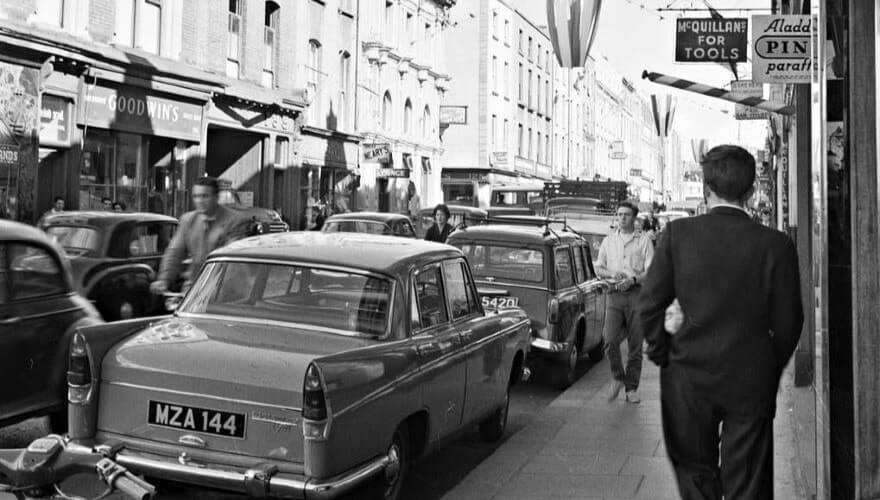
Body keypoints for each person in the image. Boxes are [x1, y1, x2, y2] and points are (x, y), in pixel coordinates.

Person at [636, 145, 803, 500]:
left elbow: (649, 305)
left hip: (688, 377)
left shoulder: (678, 236)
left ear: (706, 189)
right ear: (752, 190)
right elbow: (790, 323)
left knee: (695, 472)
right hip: (750, 377)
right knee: (748, 482)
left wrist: (662, 352)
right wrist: (768, 367)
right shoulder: (776, 245)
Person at [594, 201, 654, 404]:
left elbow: (651, 270)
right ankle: (618, 377)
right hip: (614, 294)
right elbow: (599, 267)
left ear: (634, 218)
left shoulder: (644, 241)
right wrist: (612, 273)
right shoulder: (608, 241)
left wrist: (634, 279)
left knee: (635, 345)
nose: (622, 218)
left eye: (626, 215)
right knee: (609, 340)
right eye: (619, 214)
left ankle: (631, 388)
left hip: (636, 295)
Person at [150, 176, 250, 295]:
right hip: (195, 285)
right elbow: (174, 251)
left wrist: (211, 287)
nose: (199, 201)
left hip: (227, 287)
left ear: (216, 197)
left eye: (204, 196)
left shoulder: (235, 221)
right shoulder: (188, 220)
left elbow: (231, 258)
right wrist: (164, 279)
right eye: (196, 196)